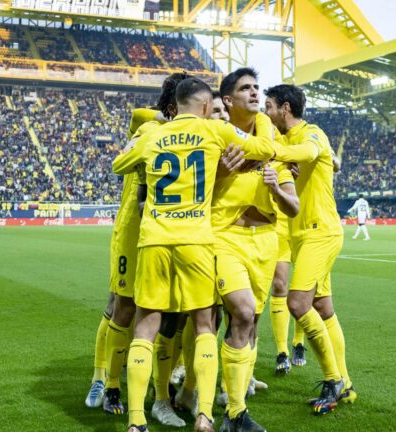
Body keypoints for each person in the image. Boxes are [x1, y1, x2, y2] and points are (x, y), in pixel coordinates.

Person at [112, 77, 278, 432]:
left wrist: (143, 141)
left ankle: (137, 421)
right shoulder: (214, 132)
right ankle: (204, 414)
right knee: (205, 324)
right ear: (205, 106)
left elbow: (119, 165)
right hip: (197, 240)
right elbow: (265, 148)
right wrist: (261, 120)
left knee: (146, 326)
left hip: (155, 238)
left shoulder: (152, 135)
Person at [90, 73, 190, 424]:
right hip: (134, 231)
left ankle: (166, 383)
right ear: (173, 105)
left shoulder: (195, 135)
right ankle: (107, 382)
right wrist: (171, 117)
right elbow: (139, 116)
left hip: (174, 232)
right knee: (124, 306)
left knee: (173, 312)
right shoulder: (147, 128)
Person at [212, 67, 299, 431]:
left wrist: (276, 188)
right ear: (227, 100)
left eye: (256, 87)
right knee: (242, 313)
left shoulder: (271, 146)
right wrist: (220, 172)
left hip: (265, 240)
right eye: (245, 88)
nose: (254, 93)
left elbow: (292, 206)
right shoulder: (215, 138)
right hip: (225, 237)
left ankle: (231, 399)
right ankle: (234, 411)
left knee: (249, 322)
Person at [264, 84, 356, 415]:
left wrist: (273, 152)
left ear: (285, 108)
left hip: (321, 232)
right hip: (302, 234)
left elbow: (312, 153)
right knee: (323, 307)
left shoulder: (312, 133)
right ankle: (345, 383)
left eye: (270, 106)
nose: (266, 112)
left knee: (298, 303)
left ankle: (332, 380)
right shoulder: (281, 139)